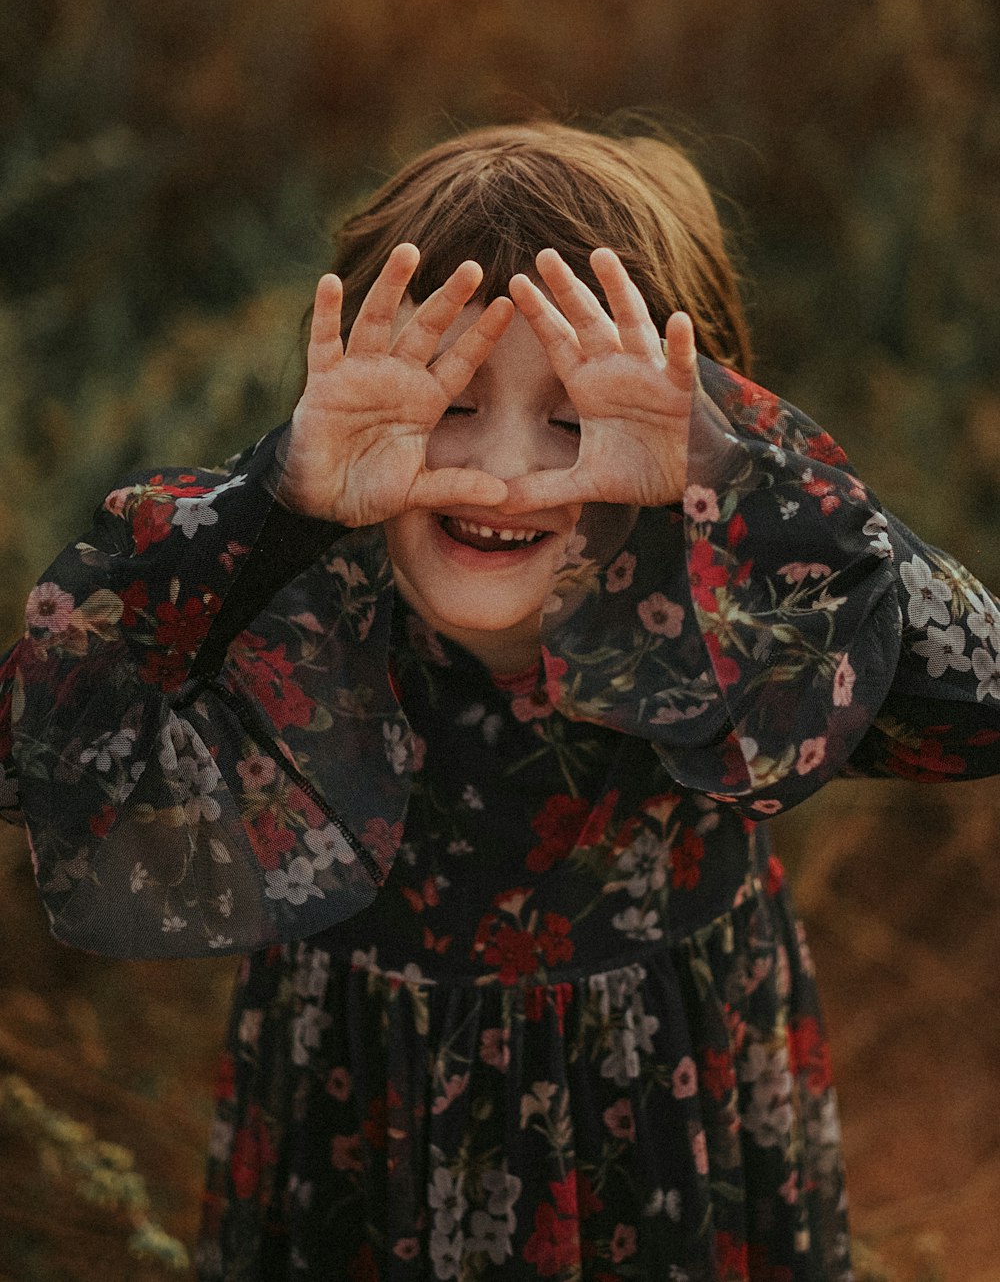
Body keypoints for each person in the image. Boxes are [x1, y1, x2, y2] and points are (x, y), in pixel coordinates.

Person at [1, 122, 998, 1282]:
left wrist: (737, 482)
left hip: (670, 1170)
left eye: (577, 419)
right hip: (359, 1159)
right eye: (446, 403)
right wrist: (277, 498)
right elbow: (37, 745)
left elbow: (979, 699)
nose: (510, 471)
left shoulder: (724, 641)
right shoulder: (307, 624)